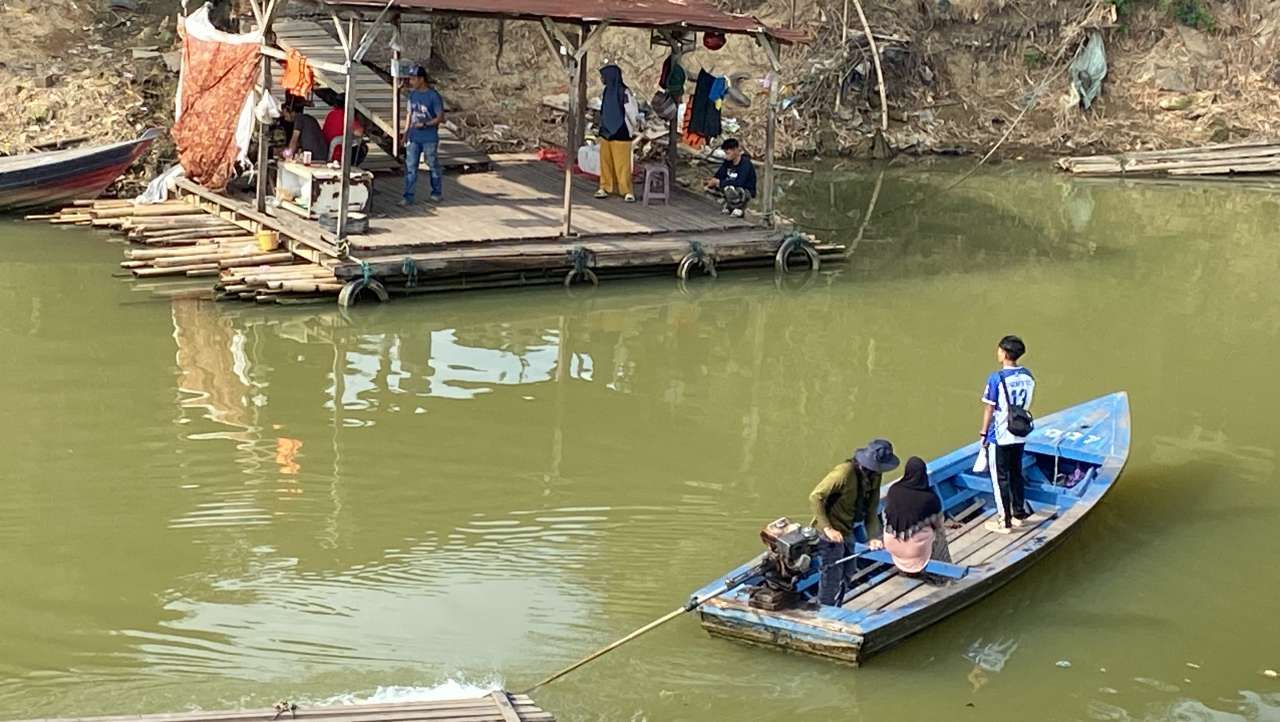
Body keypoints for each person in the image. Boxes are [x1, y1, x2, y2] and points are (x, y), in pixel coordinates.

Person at [808, 438, 900, 606]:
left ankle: (838, 603)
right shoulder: (844, 473)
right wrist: (828, 529)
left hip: (848, 528)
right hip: (830, 530)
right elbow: (816, 497)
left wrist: (873, 536)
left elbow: (871, 509)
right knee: (832, 574)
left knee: (849, 570)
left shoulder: (875, 476)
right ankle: (825, 608)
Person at [979, 335, 1036, 534]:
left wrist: (983, 432)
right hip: (1020, 431)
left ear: (1004, 353)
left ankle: (1005, 522)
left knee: (1000, 478)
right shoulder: (1028, 376)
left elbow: (989, 408)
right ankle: (1019, 513)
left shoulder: (996, 378)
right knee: (1016, 473)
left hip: (1001, 434)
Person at [882, 456, 953, 580]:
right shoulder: (929, 498)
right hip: (915, 550)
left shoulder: (893, 490)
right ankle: (943, 575)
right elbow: (939, 524)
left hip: (891, 543)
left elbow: (887, 514)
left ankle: (904, 571)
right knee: (939, 534)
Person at [593, 64, 639, 203]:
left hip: (621, 130)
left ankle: (626, 190)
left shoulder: (624, 92)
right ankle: (605, 187)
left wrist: (634, 127)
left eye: (603, 76)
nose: (602, 79)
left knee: (622, 164)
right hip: (606, 130)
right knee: (605, 161)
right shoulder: (606, 91)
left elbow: (631, 111)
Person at [401, 66, 445, 206]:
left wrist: (425, 124)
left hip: (429, 137)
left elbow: (440, 117)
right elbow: (409, 114)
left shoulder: (433, 96)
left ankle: (436, 192)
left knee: (432, 164)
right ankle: (408, 196)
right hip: (414, 136)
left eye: (413, 79)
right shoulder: (412, 95)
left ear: (421, 79)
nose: (411, 82)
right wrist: (405, 133)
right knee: (410, 167)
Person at [704, 138, 757, 218]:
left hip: (744, 191)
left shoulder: (745, 164)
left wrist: (720, 182)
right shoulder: (727, 162)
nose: (726, 156)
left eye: (728, 153)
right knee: (710, 189)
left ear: (735, 150)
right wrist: (711, 181)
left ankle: (739, 208)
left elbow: (740, 182)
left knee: (729, 188)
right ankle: (729, 205)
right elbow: (719, 175)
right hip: (729, 187)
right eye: (725, 153)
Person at [279, 94, 327, 162]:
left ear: (292, 112)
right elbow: (297, 144)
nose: (285, 119)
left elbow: (294, 140)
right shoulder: (306, 118)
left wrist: (288, 155)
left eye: (285, 116)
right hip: (321, 154)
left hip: (316, 157)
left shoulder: (299, 119)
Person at [321, 95, 368, 165]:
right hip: (340, 153)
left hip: (327, 151)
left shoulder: (331, 114)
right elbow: (359, 133)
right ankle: (351, 166)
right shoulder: (348, 116)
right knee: (363, 146)